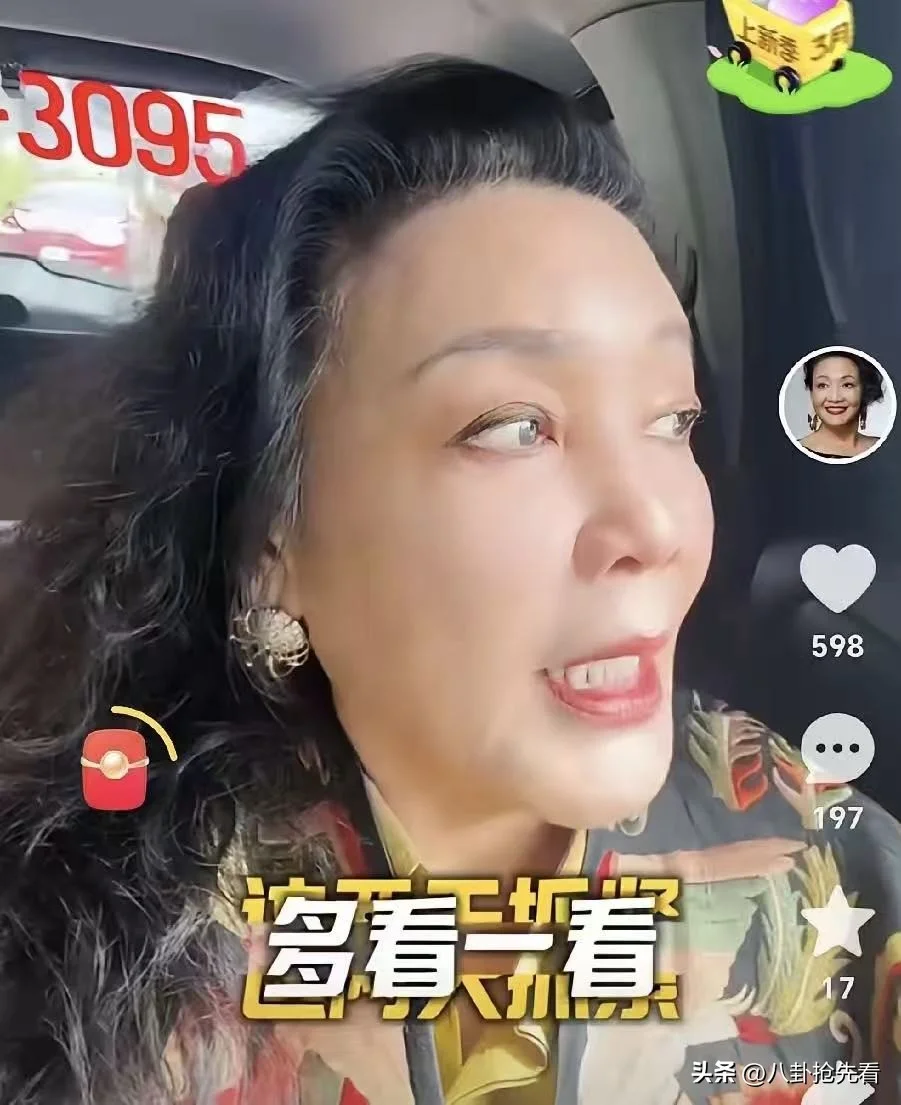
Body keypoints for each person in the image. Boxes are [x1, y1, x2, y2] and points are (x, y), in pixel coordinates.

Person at [0, 59, 899, 1105]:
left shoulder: (822, 851)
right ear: (271, 539)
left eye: (671, 419)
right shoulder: (94, 943)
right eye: (513, 427)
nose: (656, 528)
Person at [797, 349, 886, 459]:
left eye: (847, 385)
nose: (834, 398)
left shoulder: (888, 450)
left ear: (864, 391)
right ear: (812, 392)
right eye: (823, 385)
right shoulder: (790, 453)